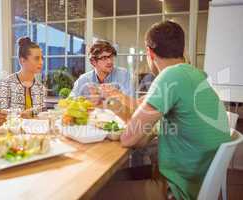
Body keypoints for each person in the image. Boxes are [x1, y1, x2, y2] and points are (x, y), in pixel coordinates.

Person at [97, 21, 231, 200]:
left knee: (95, 193)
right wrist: (114, 103)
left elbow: (129, 138)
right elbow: (142, 136)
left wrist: (113, 106)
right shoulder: (194, 75)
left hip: (177, 189)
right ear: (182, 50)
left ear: (149, 53)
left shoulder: (170, 76)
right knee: (106, 181)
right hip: (191, 179)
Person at [69, 40, 134, 104]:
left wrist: (115, 94)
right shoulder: (84, 79)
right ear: (93, 62)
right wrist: (87, 101)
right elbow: (70, 100)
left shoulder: (123, 75)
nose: (110, 61)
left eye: (111, 57)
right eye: (104, 58)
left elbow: (131, 102)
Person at [0, 37, 46, 118]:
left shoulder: (40, 87)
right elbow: (0, 114)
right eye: (37, 58)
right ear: (22, 60)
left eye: (42, 58)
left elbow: (40, 115)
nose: (41, 62)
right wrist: (19, 115)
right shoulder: (6, 83)